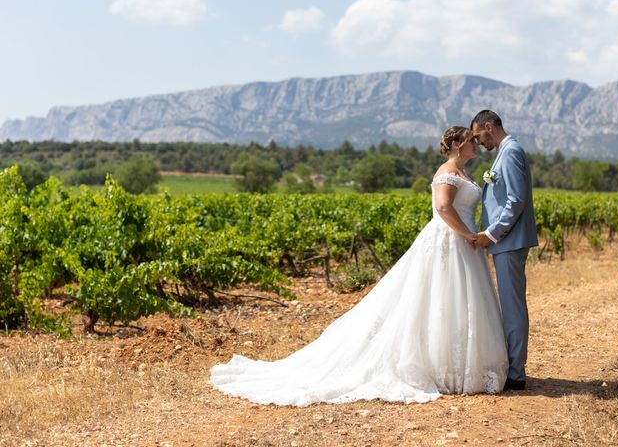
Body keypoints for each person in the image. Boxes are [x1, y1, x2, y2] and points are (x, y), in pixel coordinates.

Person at [210, 127, 508, 406]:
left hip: (462, 244)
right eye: (471, 140)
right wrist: (468, 234)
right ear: (457, 145)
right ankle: (446, 369)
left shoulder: (463, 172)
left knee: (452, 303)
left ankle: (457, 367)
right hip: (450, 241)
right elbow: (443, 207)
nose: (476, 144)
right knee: (438, 300)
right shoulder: (447, 171)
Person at [471, 110, 538, 391]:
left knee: (512, 307)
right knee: (511, 305)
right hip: (508, 242)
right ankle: (513, 367)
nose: (478, 142)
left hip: (508, 241)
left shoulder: (510, 152)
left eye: (477, 136)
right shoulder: (506, 151)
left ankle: (516, 373)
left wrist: (492, 233)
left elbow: (516, 200)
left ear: (489, 127)